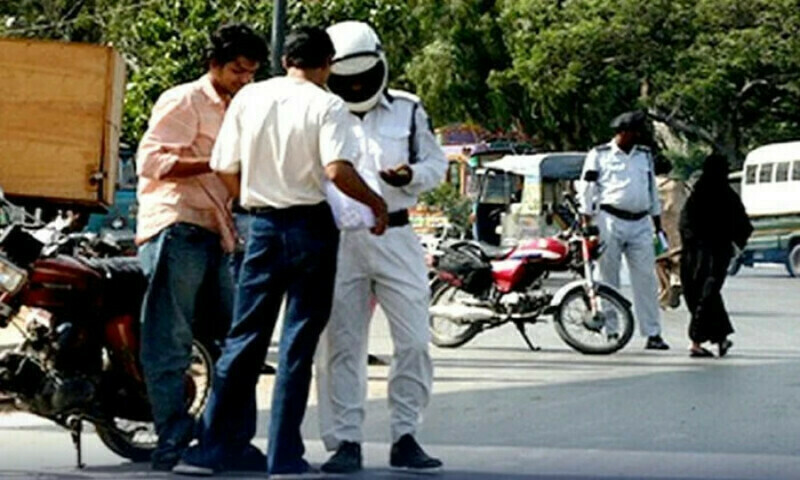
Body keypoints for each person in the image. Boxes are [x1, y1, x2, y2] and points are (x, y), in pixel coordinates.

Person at [173, 26, 389, 477]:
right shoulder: (327, 105)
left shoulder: (250, 98)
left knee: (244, 338)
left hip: (261, 225)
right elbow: (337, 170)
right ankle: (284, 456)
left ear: (285, 60)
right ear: (326, 65)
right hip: (311, 228)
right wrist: (375, 202)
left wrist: (247, 203)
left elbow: (223, 166)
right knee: (297, 343)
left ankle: (211, 447)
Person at [315, 21, 447, 474]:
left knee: (414, 340)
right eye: (346, 79)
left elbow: (436, 164)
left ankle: (406, 435)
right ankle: (346, 440)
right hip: (340, 239)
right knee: (342, 344)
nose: (356, 87)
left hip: (397, 234)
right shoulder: (322, 111)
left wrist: (412, 175)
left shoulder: (408, 109)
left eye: (363, 77)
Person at [134, 24, 266, 471]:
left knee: (233, 343)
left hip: (217, 230)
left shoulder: (242, 107)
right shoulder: (185, 100)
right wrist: (216, 162)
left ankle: (224, 441)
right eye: (237, 70)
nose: (243, 79)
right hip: (177, 225)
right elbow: (151, 160)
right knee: (171, 341)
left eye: (251, 72)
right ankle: (172, 439)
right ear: (214, 64)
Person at [577, 111, 670, 350]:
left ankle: (653, 333)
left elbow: (651, 191)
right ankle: (612, 332)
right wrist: (588, 225)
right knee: (608, 280)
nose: (640, 136)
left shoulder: (644, 155)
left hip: (640, 222)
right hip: (610, 220)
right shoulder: (599, 155)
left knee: (646, 280)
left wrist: (658, 226)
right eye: (636, 131)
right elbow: (587, 190)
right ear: (625, 132)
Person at [680, 153, 752, 357]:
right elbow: (743, 226)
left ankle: (708, 339)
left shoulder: (696, 196)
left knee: (700, 295)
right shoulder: (728, 196)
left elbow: (684, 226)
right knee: (709, 296)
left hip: (693, 255)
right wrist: (735, 245)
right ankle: (706, 340)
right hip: (717, 254)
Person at [655, 163, 690, 309]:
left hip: (657, 229)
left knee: (658, 261)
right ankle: (676, 281)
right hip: (677, 228)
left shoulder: (649, 185)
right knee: (678, 258)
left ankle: (665, 290)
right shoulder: (677, 185)